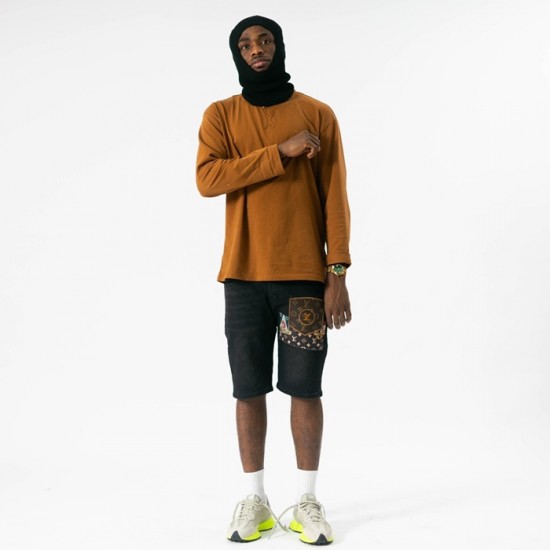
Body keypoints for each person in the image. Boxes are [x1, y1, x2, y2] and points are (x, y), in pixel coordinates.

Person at [196, 15, 352, 545]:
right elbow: (208, 178)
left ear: (279, 47)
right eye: (245, 44)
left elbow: (335, 198)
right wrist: (279, 153)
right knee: (248, 389)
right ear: (237, 55)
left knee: (305, 388)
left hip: (303, 278)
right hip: (242, 276)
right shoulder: (221, 115)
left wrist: (337, 272)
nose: (256, 49)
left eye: (265, 40)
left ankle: (307, 500)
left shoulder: (317, 114)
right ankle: (256, 499)